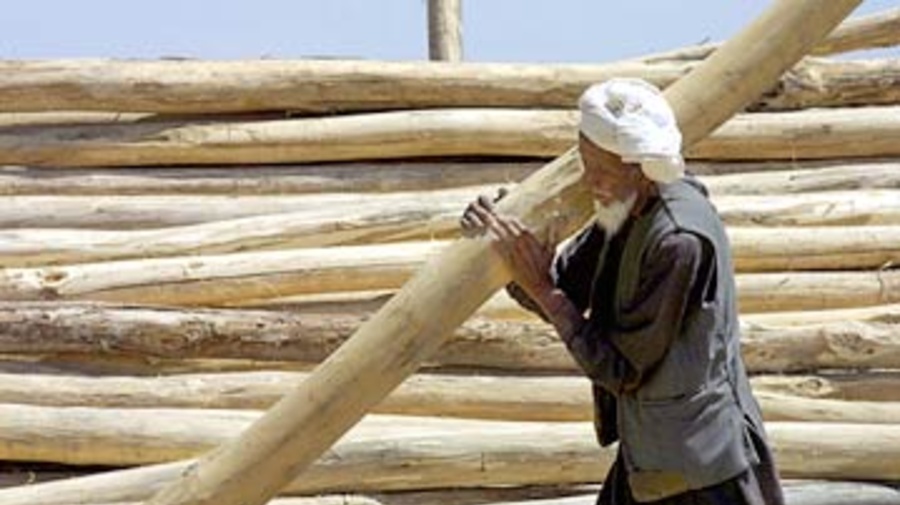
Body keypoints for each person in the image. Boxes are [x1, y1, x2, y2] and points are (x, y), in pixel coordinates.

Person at [460, 78, 785, 505]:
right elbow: (566, 289)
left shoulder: (678, 242)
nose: (589, 181)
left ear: (641, 168)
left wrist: (542, 289)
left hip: (699, 471)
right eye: (585, 164)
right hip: (651, 454)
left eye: (601, 171)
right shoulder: (623, 204)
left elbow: (621, 368)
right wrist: (508, 236)